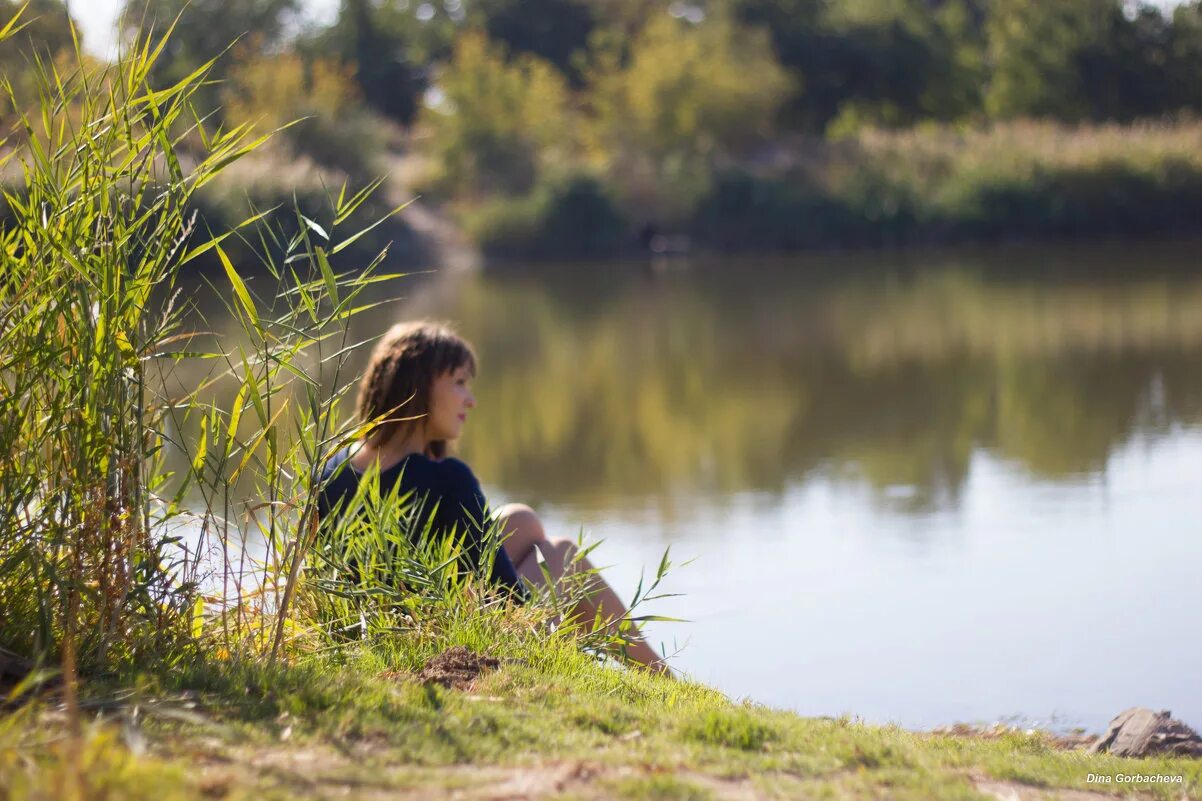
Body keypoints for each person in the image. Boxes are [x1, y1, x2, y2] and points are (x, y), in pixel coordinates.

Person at [316, 320, 671, 676]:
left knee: (520, 520)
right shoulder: (447, 480)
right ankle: (662, 678)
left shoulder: (330, 470)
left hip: (376, 635)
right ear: (418, 385)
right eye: (458, 383)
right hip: (459, 648)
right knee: (563, 554)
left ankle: (657, 676)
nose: (470, 400)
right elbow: (512, 602)